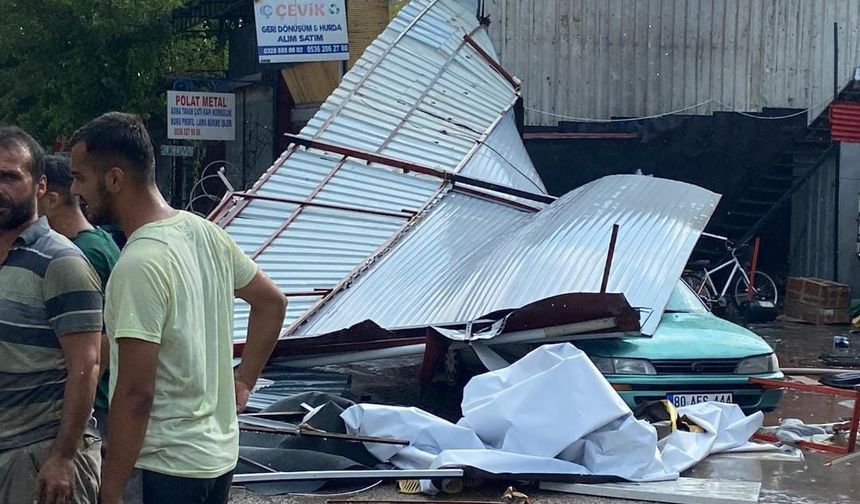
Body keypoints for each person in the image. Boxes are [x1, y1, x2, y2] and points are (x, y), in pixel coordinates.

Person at [69, 112, 287, 504]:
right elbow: (272, 302)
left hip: (163, 468)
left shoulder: (139, 262)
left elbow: (137, 392)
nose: (75, 190)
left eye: (80, 177)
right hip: (217, 460)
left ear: (115, 179)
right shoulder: (205, 232)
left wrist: (112, 487)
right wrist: (244, 382)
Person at [0, 127, 103, 503]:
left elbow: (88, 364)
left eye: (9, 176)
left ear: (40, 186)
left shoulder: (61, 262)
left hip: (38, 458)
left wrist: (62, 458)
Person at [38, 154, 120, 438]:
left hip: (96, 405)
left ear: (50, 200)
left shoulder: (83, 254)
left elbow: (106, 337)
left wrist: (85, 390)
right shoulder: (95, 241)